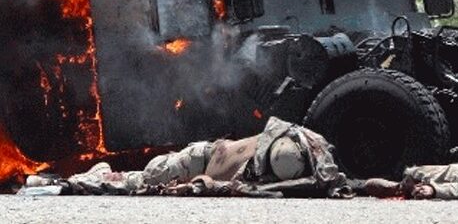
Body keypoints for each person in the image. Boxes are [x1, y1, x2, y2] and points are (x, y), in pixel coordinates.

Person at [19, 117, 352, 198]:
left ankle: (85, 178)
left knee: (139, 182)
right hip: (195, 160)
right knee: (140, 183)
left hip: (206, 162)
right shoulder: (294, 155)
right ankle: (73, 182)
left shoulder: (308, 148)